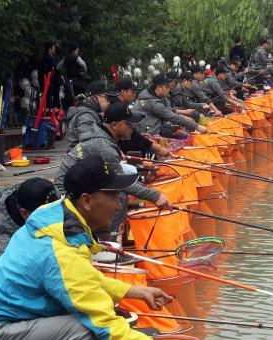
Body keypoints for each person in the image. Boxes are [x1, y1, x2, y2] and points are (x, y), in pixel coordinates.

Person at [0, 154, 213, 340]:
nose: (119, 204)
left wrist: (133, 291)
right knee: (81, 330)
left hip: (7, 322)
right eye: (113, 196)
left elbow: (84, 278)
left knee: (94, 318)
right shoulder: (60, 250)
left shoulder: (58, 215)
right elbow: (106, 326)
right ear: (87, 201)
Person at [55, 102, 171, 238]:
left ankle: (105, 236)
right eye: (128, 124)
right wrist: (155, 196)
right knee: (118, 196)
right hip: (65, 194)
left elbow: (116, 168)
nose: (132, 128)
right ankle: (109, 239)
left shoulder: (103, 137)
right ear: (115, 125)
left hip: (82, 186)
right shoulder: (104, 146)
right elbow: (125, 185)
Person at [0, 178, 59, 271]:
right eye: (46, 215)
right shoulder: (4, 236)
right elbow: (6, 273)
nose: (52, 217)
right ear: (24, 213)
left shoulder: (43, 192)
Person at [133, 73, 207, 137]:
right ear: (158, 87)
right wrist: (197, 126)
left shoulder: (148, 93)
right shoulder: (154, 102)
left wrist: (183, 115)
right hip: (146, 131)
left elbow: (165, 109)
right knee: (169, 132)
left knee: (172, 129)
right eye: (167, 87)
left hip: (150, 125)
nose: (169, 90)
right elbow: (171, 116)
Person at [65, 80, 117, 149]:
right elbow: (88, 143)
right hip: (81, 158)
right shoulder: (86, 115)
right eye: (107, 98)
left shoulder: (92, 114)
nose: (109, 103)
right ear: (96, 97)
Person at [38, 41, 59, 108]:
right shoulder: (47, 58)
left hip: (50, 81)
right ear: (50, 49)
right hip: (47, 81)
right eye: (53, 48)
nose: (54, 49)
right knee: (48, 97)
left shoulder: (50, 58)